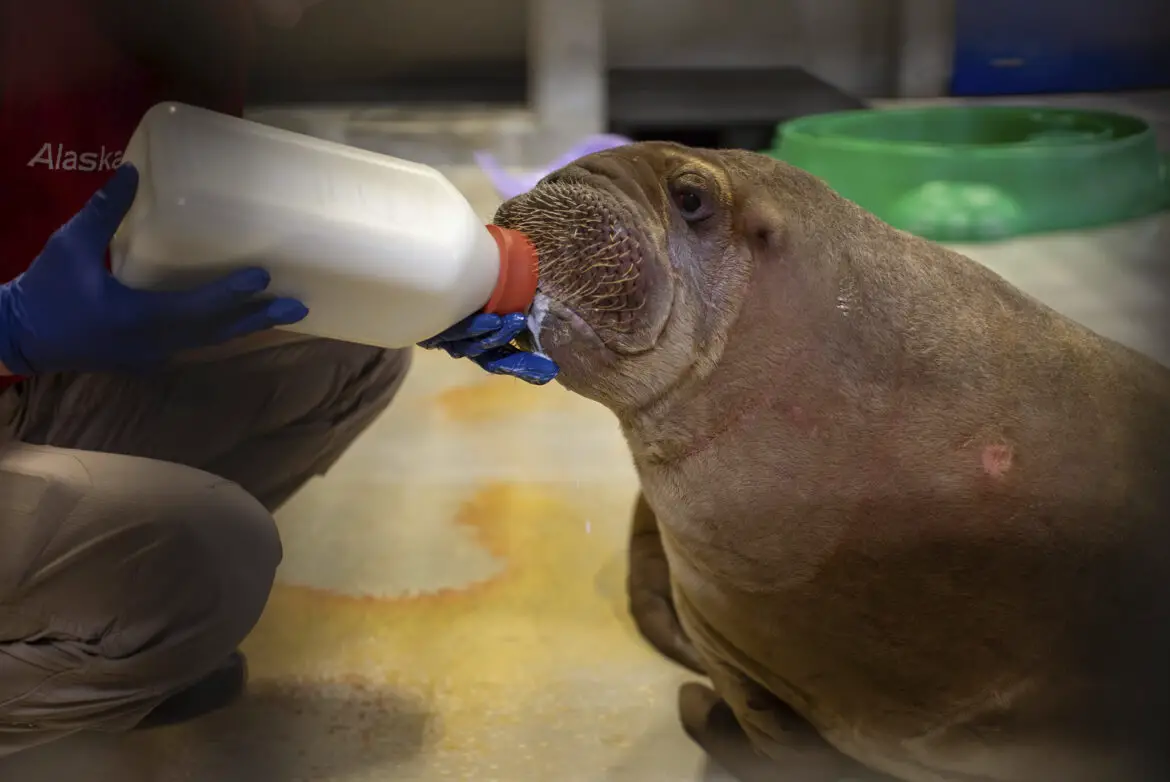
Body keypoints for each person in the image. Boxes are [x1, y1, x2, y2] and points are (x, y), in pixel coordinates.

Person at [0, 0, 556, 756]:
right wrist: (11, 330)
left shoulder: (193, 30)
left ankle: (79, 615)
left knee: (343, 347)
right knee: (204, 559)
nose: (287, 16)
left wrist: (411, 290)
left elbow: (186, 223)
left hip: (24, 383)